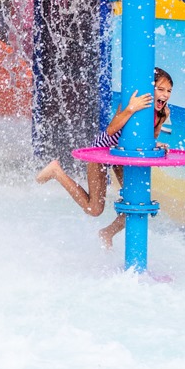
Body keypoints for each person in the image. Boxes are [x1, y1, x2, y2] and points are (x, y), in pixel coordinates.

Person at [36, 67, 173, 248]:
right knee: (94, 209)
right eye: (160, 89)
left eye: (169, 91)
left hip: (123, 155)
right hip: (102, 151)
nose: (165, 95)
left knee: (137, 202)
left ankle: (107, 233)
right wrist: (131, 108)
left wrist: (156, 144)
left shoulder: (164, 112)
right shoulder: (130, 102)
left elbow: (151, 137)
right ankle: (56, 171)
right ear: (150, 88)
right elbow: (111, 130)